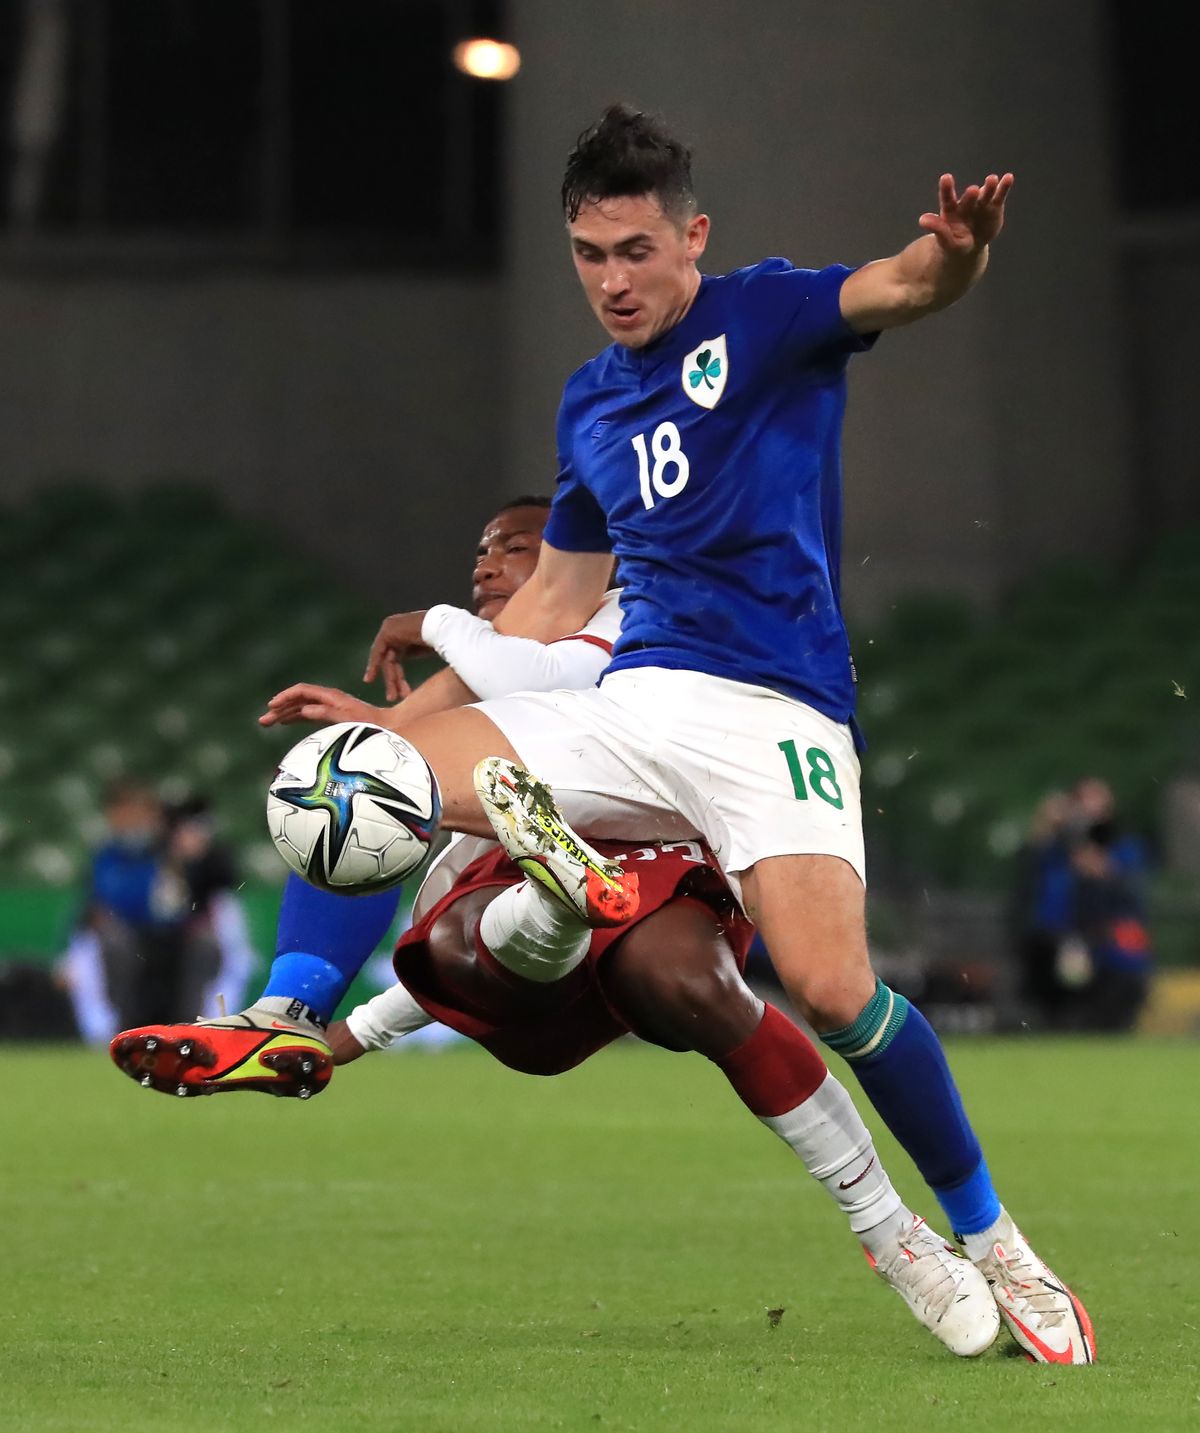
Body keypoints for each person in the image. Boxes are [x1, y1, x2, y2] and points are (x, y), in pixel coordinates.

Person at [143, 107, 1093, 1363]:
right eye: (590, 254)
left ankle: (991, 1236)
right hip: (638, 705)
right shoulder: (592, 403)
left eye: (637, 249)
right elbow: (550, 607)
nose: (613, 279)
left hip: (777, 713)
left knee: (832, 990)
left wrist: (961, 251)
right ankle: (287, 1008)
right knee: (355, 776)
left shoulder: (766, 316)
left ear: (692, 235)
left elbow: (908, 283)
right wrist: (408, 711)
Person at [112, 493, 998, 1357]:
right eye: (480, 554)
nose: (487, 566)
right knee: (354, 788)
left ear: (584, 565)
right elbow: (421, 731)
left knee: (685, 983)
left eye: (516, 547)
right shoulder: (489, 667)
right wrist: (343, 1035)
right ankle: (297, 1008)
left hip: (661, 846)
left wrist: (435, 621)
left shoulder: (635, 616)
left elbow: (562, 674)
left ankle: (893, 1233)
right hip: (525, 890)